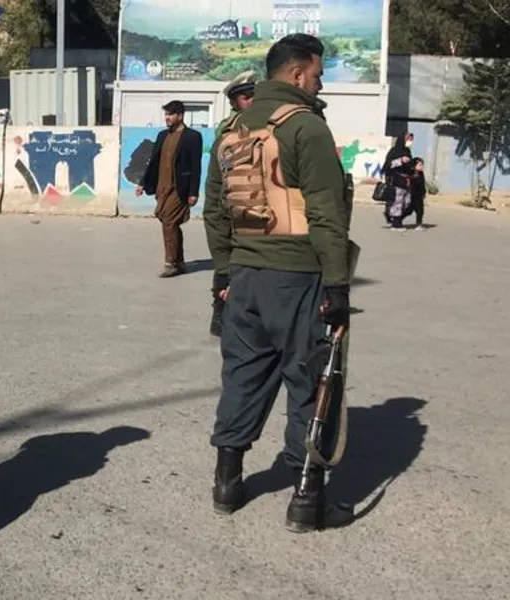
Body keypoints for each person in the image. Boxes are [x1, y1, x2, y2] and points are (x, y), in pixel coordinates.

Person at [203, 33, 355, 532]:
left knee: (243, 376)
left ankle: (227, 483)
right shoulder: (305, 128)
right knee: (312, 381)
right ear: (295, 73)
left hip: (245, 277)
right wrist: (337, 286)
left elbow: (216, 212)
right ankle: (306, 501)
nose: (320, 81)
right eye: (316, 73)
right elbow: (327, 214)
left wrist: (223, 275)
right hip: (299, 276)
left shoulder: (231, 130)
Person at [204, 71, 258, 337]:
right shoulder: (227, 137)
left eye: (254, 97)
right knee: (227, 273)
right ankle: (221, 311)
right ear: (235, 103)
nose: (252, 102)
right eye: (246, 98)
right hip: (233, 220)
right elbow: (215, 199)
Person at [136, 100, 204, 278]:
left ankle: (171, 263)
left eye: (170, 114)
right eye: (165, 114)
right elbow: (154, 162)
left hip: (179, 188)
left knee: (168, 222)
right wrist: (143, 183)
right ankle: (179, 261)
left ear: (180, 116)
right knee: (168, 221)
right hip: (162, 188)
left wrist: (193, 192)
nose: (167, 118)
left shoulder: (192, 137)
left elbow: (196, 167)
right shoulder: (162, 136)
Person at [382, 133, 414, 230]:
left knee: (407, 202)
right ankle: (396, 223)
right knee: (398, 202)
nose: (410, 142)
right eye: (408, 139)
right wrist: (400, 160)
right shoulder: (394, 151)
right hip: (396, 180)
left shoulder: (407, 151)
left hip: (406, 181)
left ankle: (390, 216)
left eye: (411, 140)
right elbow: (388, 165)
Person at [408, 157, 426, 230]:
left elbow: (422, 184)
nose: (422, 166)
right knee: (408, 211)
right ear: (414, 165)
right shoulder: (412, 174)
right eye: (420, 165)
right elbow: (412, 186)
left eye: (422, 165)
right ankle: (397, 221)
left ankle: (419, 224)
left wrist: (424, 193)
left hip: (419, 195)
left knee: (420, 211)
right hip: (413, 195)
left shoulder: (421, 173)